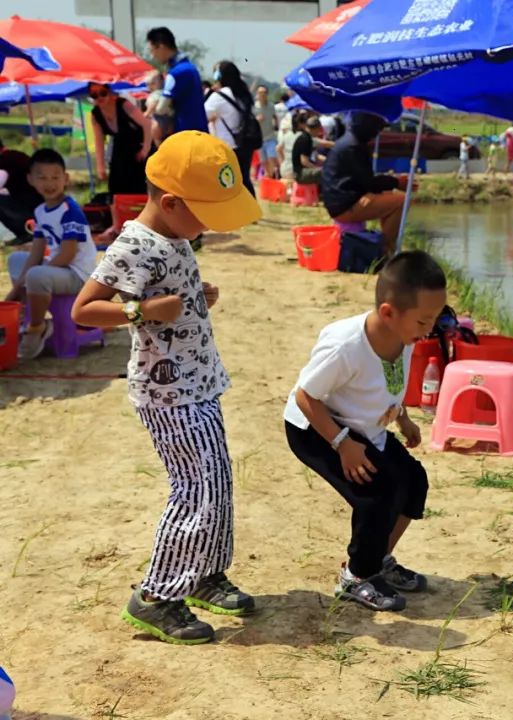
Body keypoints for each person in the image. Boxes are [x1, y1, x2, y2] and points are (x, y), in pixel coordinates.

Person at [71, 131, 262, 645]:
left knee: (217, 480)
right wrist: (144, 310)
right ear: (172, 202)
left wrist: (198, 296)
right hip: (168, 393)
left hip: (199, 380)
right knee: (195, 488)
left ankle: (203, 573)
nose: (211, 227)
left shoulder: (176, 236)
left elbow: (171, 296)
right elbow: (84, 310)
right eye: (207, 214)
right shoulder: (134, 244)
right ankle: (156, 595)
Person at [284, 251, 446, 611]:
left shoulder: (405, 336)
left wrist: (402, 418)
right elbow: (306, 396)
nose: (429, 330)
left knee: (412, 480)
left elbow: (388, 383)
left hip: (363, 425)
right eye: (423, 321)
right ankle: (356, 578)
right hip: (316, 427)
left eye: (433, 319)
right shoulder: (346, 346)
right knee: (376, 493)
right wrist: (342, 445)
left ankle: (377, 560)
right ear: (389, 313)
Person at [4, 150, 98, 360]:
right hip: (59, 271)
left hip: (78, 275)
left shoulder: (70, 210)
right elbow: (36, 252)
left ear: (65, 179)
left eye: (55, 177)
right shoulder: (40, 211)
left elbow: (68, 254)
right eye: (42, 177)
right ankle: (23, 311)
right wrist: (16, 290)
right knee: (16, 260)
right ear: (30, 180)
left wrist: (33, 276)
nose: (49, 183)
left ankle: (37, 327)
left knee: (36, 275)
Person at [320, 112, 411, 259]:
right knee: (402, 202)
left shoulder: (349, 142)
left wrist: (371, 192)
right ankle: (384, 250)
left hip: (342, 200)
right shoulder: (353, 147)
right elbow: (370, 182)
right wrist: (397, 182)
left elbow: (364, 181)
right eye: (377, 128)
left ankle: (383, 245)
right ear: (367, 127)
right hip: (343, 206)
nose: (377, 133)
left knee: (389, 198)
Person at [88, 83, 152, 196]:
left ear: (109, 92)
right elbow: (99, 142)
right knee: (116, 186)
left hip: (139, 146)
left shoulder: (123, 104)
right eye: (94, 95)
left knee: (141, 186)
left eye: (103, 93)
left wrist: (145, 149)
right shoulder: (95, 114)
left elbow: (147, 125)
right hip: (120, 148)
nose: (99, 98)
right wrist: (100, 166)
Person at [204, 61, 257, 195]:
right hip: (244, 143)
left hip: (225, 145)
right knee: (244, 179)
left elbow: (203, 114)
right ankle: (249, 210)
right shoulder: (243, 93)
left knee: (225, 181)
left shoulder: (219, 96)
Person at [145, 27, 208, 136]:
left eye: (152, 50)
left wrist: (152, 105)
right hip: (200, 132)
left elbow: (161, 109)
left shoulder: (176, 73)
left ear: (161, 46)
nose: (152, 55)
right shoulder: (191, 68)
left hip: (185, 136)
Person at [0, 139, 42, 246]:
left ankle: (25, 232)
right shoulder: (16, 155)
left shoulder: (4, 162)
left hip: (33, 207)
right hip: (42, 203)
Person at [254, 85, 279, 180]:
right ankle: (268, 176)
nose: (262, 95)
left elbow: (275, 116)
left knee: (272, 157)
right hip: (259, 138)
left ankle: (272, 175)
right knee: (263, 161)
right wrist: (257, 120)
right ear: (257, 94)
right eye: (260, 93)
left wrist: (276, 125)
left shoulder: (271, 106)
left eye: (264, 93)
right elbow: (250, 121)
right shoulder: (254, 107)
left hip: (271, 136)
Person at [292, 115, 326, 186]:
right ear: (315, 129)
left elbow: (316, 157)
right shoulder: (306, 139)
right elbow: (304, 161)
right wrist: (317, 168)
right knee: (326, 173)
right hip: (300, 174)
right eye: (319, 130)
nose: (319, 132)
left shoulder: (306, 137)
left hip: (299, 172)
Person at [143, 71, 173, 147]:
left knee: (157, 139)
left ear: (162, 82)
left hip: (158, 120)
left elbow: (153, 104)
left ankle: (159, 150)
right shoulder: (165, 93)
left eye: (153, 83)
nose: (150, 86)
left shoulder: (156, 93)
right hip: (170, 119)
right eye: (148, 84)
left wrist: (147, 113)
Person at [277, 111, 303, 182]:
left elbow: (278, 148)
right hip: (296, 171)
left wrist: (282, 162)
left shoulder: (286, 135)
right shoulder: (303, 136)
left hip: (284, 169)